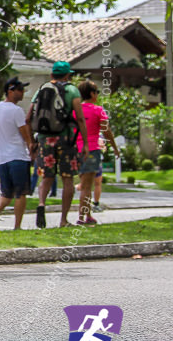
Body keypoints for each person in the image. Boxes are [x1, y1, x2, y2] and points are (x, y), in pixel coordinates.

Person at [27, 61, 88, 228]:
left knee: (46, 177)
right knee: (68, 179)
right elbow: (80, 118)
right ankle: (63, 219)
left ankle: (41, 203)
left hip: (45, 140)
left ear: (52, 74)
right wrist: (86, 143)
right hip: (66, 140)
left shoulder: (42, 89)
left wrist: (32, 142)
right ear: (67, 75)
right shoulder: (71, 90)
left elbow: (28, 118)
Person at [0, 77, 34, 230]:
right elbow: (25, 133)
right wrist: (31, 149)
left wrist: (0, 145)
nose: (22, 93)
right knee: (21, 192)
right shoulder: (16, 111)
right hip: (18, 156)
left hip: (2, 158)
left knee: (6, 192)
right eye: (20, 90)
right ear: (10, 91)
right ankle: (17, 226)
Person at [75, 80, 121, 225]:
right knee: (87, 186)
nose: (97, 95)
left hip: (77, 150)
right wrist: (114, 147)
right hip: (92, 149)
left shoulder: (75, 110)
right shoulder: (98, 110)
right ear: (92, 93)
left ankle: (87, 214)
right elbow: (106, 131)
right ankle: (83, 217)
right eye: (97, 92)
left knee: (83, 183)